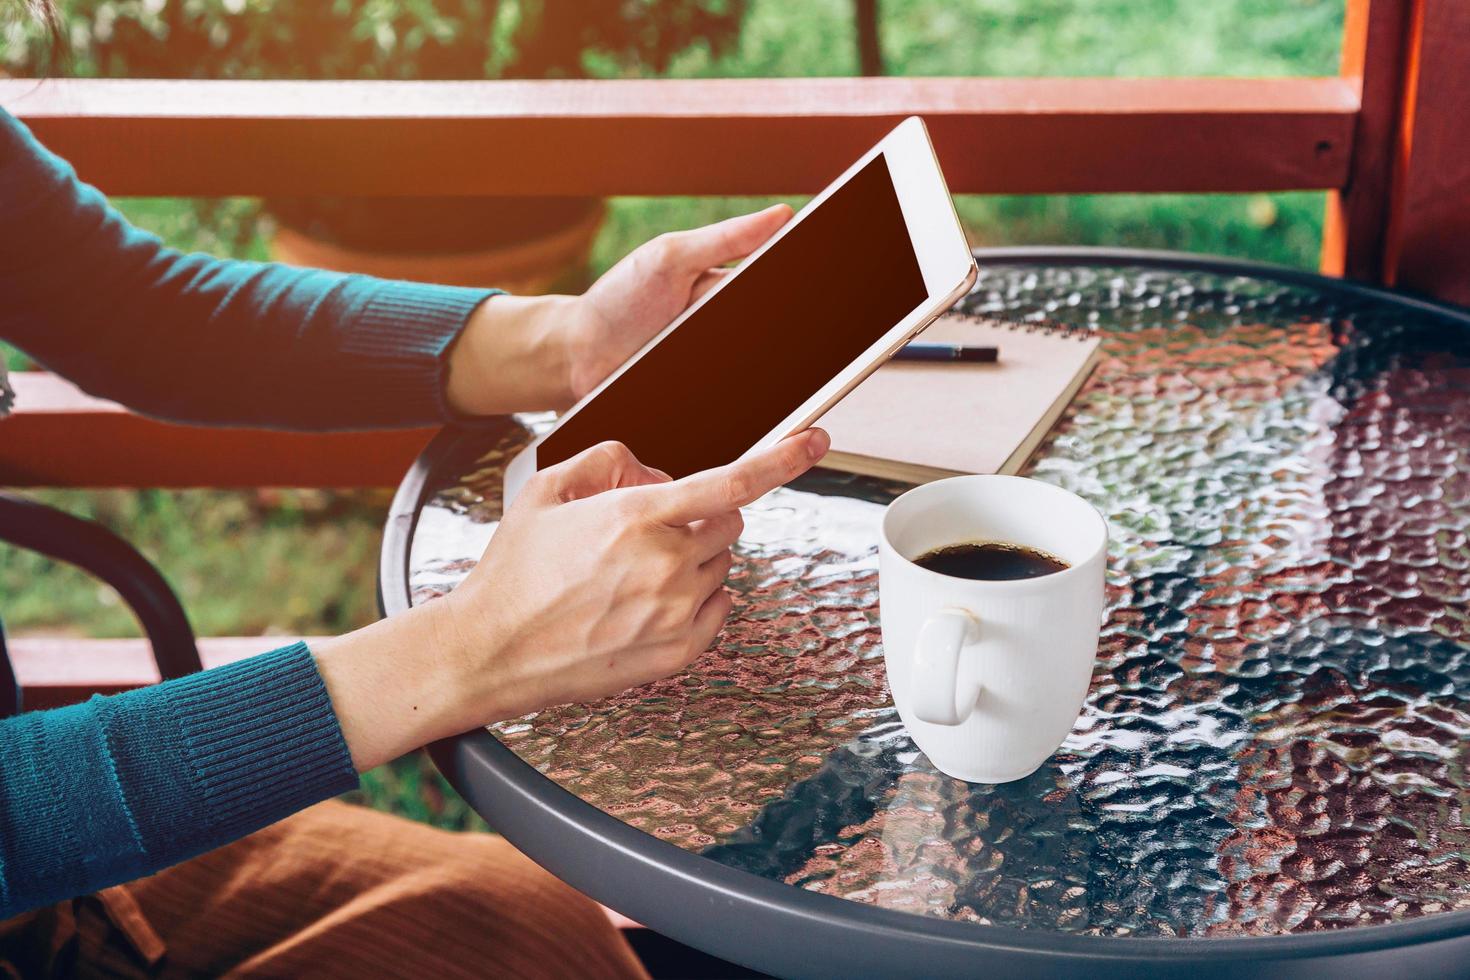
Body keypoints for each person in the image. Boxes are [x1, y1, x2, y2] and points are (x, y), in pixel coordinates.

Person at [0, 40, 829, 980]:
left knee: (538, 929)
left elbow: (126, 309)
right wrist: (465, 651)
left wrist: (566, 342)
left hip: (49, 880)